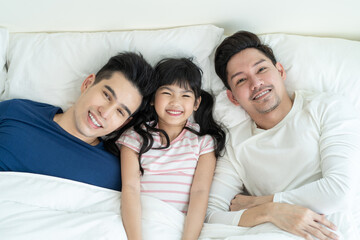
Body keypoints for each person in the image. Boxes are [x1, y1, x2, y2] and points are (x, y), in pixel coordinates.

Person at [205, 31, 360, 240]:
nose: (256, 83)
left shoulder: (326, 107)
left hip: (330, 230)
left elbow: (341, 191)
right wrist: (271, 211)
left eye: (261, 69)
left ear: (280, 71)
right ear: (232, 98)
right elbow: (211, 216)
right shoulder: (235, 144)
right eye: (241, 80)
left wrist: (265, 201)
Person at [0, 52, 155, 191]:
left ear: (123, 123)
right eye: (107, 95)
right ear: (87, 84)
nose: (105, 112)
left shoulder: (113, 173)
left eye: (120, 112)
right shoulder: (16, 112)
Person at [117, 58, 226, 240]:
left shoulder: (203, 143)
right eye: (167, 93)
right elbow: (130, 189)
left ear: (196, 103)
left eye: (185, 95)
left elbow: (200, 193)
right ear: (152, 98)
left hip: (179, 227)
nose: (176, 102)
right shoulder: (135, 137)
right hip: (138, 223)